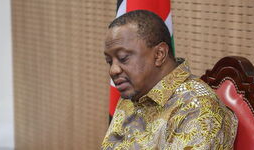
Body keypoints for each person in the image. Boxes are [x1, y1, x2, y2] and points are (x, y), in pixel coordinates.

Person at [101, 10, 238, 150]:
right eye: (109, 61)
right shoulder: (132, 94)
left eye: (123, 58)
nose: (113, 70)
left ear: (159, 54)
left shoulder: (197, 107)